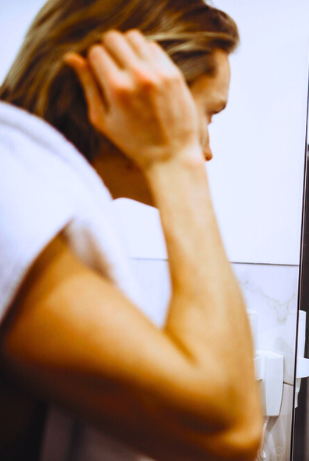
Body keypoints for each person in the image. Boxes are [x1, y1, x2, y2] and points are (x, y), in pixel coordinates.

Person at [0, 1, 262, 460]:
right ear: (131, 88)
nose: (206, 149)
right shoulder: (12, 192)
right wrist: (173, 160)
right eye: (207, 115)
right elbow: (230, 427)